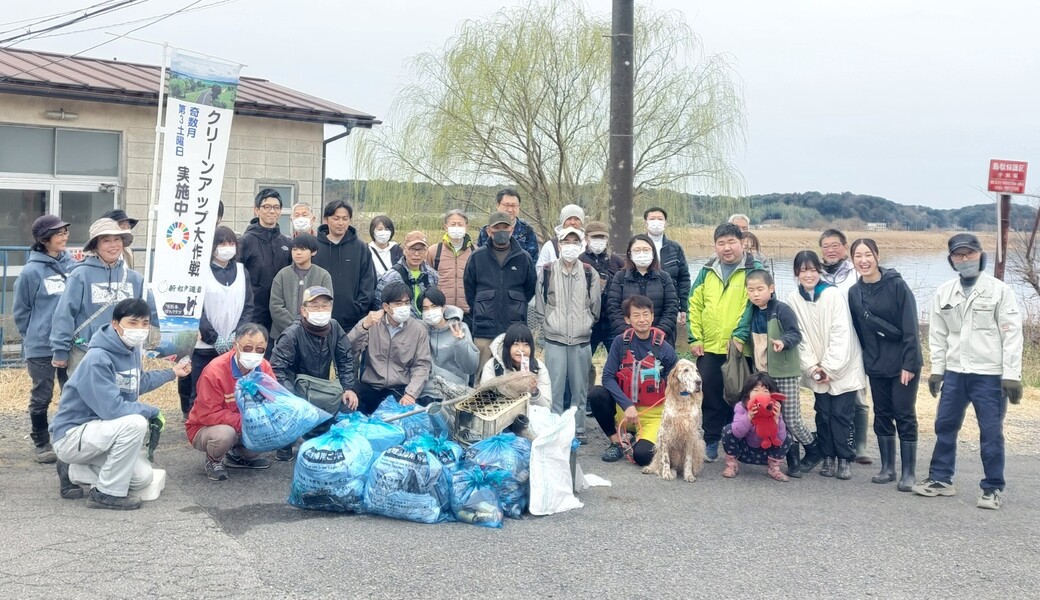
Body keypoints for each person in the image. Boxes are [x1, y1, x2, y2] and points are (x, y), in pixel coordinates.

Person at [913, 234, 1023, 510]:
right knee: (945, 426)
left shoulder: (999, 291)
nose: (964, 260)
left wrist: (1012, 374)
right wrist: (937, 372)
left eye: (969, 254)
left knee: (991, 432)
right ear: (951, 260)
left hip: (990, 375)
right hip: (955, 373)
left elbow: (1012, 334)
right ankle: (941, 479)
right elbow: (937, 335)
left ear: (980, 255)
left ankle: (992, 487)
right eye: (958, 256)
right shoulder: (944, 292)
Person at [51, 298, 191, 510]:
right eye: (133, 323)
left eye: (145, 323)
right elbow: (112, 409)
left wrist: (172, 373)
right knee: (135, 423)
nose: (140, 329)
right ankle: (105, 494)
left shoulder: (131, 349)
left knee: (142, 479)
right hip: (73, 434)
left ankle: (72, 470)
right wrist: (151, 411)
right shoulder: (98, 358)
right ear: (115, 324)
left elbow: (136, 382)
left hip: (100, 433)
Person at [847, 239, 923, 491]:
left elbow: (911, 327)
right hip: (876, 363)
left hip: (902, 362)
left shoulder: (897, 285)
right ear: (853, 260)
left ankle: (909, 472)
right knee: (882, 415)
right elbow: (858, 331)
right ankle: (888, 468)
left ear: (877, 256)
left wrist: (909, 363)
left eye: (868, 254)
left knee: (904, 413)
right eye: (858, 256)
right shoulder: (854, 293)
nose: (863, 260)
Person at [787, 250, 867, 481]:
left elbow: (841, 334)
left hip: (842, 366)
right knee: (823, 414)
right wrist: (813, 368)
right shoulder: (794, 299)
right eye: (803, 271)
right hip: (817, 369)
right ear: (796, 274)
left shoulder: (832, 295)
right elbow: (798, 336)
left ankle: (844, 458)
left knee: (842, 414)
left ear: (819, 271)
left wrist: (829, 368)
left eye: (812, 269)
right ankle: (828, 455)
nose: (808, 275)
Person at [687, 222, 762, 461]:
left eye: (731, 242)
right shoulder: (707, 271)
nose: (726, 248)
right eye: (721, 243)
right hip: (709, 345)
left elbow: (753, 304)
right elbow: (694, 304)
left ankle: (739, 442)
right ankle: (711, 440)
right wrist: (695, 336)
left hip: (740, 348)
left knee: (739, 394)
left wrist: (739, 336)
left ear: (741, 243)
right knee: (709, 392)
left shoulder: (754, 269)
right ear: (715, 246)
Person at [744, 269, 821, 478]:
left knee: (791, 418)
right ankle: (792, 460)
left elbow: (796, 334)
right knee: (777, 418)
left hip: (784, 371)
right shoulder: (750, 311)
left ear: (772, 288)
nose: (755, 294)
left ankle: (814, 447)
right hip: (763, 373)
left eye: (760, 289)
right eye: (751, 290)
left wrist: (783, 342)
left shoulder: (782, 309)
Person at [50, 218, 151, 374]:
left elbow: (153, 310)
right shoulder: (80, 275)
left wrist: (182, 331)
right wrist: (60, 351)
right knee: (85, 396)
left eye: (117, 239)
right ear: (95, 246)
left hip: (126, 352)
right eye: (106, 240)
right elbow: (65, 314)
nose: (113, 245)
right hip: (86, 350)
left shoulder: (134, 278)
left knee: (124, 397)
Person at [589, 295, 678, 466]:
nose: (642, 319)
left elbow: (675, 385)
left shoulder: (665, 349)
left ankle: (640, 440)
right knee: (596, 394)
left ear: (652, 317)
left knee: (643, 457)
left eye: (646, 314)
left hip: (653, 415)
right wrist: (626, 404)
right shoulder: (620, 343)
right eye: (636, 315)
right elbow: (607, 377)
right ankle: (617, 442)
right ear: (627, 319)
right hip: (625, 411)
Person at [14, 215, 76, 463]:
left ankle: (68, 437)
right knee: (42, 395)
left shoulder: (73, 265)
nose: (64, 237)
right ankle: (41, 442)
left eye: (64, 232)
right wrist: (33, 335)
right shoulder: (31, 271)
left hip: (70, 343)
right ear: (43, 240)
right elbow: (22, 310)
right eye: (58, 233)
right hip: (41, 345)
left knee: (72, 391)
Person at [270, 286, 358, 460]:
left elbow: (346, 358)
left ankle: (329, 438)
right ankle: (286, 443)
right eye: (315, 306)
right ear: (303, 310)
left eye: (325, 306)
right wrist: (290, 396)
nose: (321, 310)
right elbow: (277, 367)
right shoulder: (292, 333)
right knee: (289, 407)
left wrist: (348, 387)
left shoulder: (334, 327)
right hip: (296, 386)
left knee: (350, 404)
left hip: (323, 385)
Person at [532, 226, 601, 441]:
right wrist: (550, 324)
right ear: (559, 245)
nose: (570, 246)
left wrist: (586, 323)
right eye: (566, 242)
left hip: (581, 341)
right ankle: (555, 428)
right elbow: (540, 305)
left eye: (575, 242)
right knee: (554, 388)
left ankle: (578, 430)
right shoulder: (547, 271)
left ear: (581, 245)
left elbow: (595, 306)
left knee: (580, 389)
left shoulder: (590, 273)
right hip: (555, 339)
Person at [180, 226, 255, 418]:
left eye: (231, 243)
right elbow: (196, 308)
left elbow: (248, 306)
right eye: (222, 243)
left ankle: (229, 429)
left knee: (230, 391)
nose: (227, 247)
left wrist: (236, 336)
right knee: (201, 389)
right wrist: (213, 337)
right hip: (204, 344)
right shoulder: (199, 271)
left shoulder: (241, 271)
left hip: (233, 344)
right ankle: (199, 427)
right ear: (212, 246)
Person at [185, 324, 274, 481]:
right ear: (235, 346)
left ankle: (240, 455)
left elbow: (273, 399)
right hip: (206, 428)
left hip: (245, 425)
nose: (253, 353)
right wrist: (250, 421)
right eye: (247, 348)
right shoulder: (215, 371)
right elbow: (208, 415)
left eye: (260, 350)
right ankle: (214, 460)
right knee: (225, 435)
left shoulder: (264, 367)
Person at [818, 228, 870, 465]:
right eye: (826, 246)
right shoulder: (815, 273)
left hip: (855, 339)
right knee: (826, 398)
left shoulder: (855, 273)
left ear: (845, 246)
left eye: (835, 245)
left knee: (856, 395)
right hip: (825, 343)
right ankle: (829, 447)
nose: (830, 250)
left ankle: (858, 445)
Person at [464, 211, 537, 377]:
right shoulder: (477, 257)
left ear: (512, 230)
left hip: (513, 328)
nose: (501, 231)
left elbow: (530, 288)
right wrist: (482, 308)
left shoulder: (523, 258)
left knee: (514, 376)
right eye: (497, 228)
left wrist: (516, 304)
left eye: (505, 227)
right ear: (489, 231)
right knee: (482, 376)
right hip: (484, 329)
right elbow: (470, 290)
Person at [348, 281, 432, 414]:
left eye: (406, 303)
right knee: (348, 405)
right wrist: (363, 327)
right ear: (386, 307)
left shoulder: (418, 329)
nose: (404, 307)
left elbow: (422, 365)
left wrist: (411, 394)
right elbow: (349, 350)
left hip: (400, 389)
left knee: (406, 420)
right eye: (398, 303)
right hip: (370, 386)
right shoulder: (372, 322)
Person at [238, 189, 292, 340]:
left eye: (276, 207)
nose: (271, 211)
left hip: (280, 315)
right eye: (266, 207)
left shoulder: (287, 243)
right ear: (256, 210)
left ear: (280, 211)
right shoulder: (245, 242)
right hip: (253, 313)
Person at [313, 200, 375, 332]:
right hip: (317, 320)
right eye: (336, 218)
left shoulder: (361, 248)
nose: (340, 223)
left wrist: (357, 308)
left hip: (351, 323)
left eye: (345, 219)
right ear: (326, 219)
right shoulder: (313, 247)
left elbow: (368, 282)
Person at [720, 373, 793, 482]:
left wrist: (777, 419)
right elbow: (737, 432)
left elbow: (781, 438)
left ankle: (774, 467)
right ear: (748, 393)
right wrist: (749, 417)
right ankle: (732, 465)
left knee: (787, 436)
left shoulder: (773, 408)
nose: (761, 394)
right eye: (756, 390)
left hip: (766, 452)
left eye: (765, 391)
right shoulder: (741, 406)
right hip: (745, 451)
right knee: (728, 430)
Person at [606, 235, 679, 343]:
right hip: (629, 340)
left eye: (646, 250)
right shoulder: (620, 277)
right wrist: (628, 334)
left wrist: (659, 333)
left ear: (653, 253)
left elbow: (671, 307)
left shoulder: (664, 277)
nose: (642, 253)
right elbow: (614, 308)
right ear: (630, 254)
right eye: (637, 250)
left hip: (661, 339)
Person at [417, 288, 479, 404]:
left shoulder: (460, 327)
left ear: (443, 308)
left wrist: (460, 342)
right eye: (425, 309)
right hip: (427, 391)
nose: (430, 311)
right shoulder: (420, 330)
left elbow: (470, 368)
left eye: (434, 306)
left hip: (455, 391)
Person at [269, 233, 333, 341]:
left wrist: (308, 327)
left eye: (303, 249)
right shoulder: (282, 274)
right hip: (284, 335)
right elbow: (276, 306)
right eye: (294, 249)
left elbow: (327, 304)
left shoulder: (323, 275)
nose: (298, 253)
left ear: (313, 252)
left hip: (314, 334)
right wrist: (295, 327)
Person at [643, 207, 691, 330]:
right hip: (643, 305)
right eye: (652, 219)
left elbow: (684, 278)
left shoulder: (675, 248)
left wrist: (683, 307)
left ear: (666, 222)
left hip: (669, 305)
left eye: (660, 219)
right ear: (645, 222)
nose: (656, 222)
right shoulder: (638, 246)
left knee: (666, 344)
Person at [480, 324, 551, 406]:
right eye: (515, 344)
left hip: (528, 415)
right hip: (500, 414)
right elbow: (483, 400)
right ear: (507, 346)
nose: (521, 349)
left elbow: (546, 406)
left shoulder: (538, 367)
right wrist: (508, 384)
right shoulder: (493, 365)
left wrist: (534, 391)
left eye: (526, 344)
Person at [374, 231, 440, 317]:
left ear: (426, 251)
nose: (416, 254)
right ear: (404, 250)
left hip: (429, 325)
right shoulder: (390, 277)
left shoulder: (432, 275)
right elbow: (379, 307)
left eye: (421, 249)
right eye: (412, 249)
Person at [427, 209, 474, 325]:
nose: (457, 227)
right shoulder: (434, 251)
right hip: (442, 313)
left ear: (466, 227)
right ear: (445, 227)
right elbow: (427, 280)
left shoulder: (475, 252)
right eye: (453, 224)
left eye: (460, 224)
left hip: (469, 313)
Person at [476, 188, 540, 260]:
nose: (510, 210)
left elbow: (533, 261)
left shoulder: (527, 231)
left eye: (513, 205)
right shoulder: (486, 231)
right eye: (506, 205)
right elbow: (479, 258)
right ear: (497, 205)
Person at [535, 204, 585, 268]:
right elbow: (540, 271)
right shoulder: (550, 246)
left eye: (577, 219)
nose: (572, 222)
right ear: (563, 222)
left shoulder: (587, 245)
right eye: (569, 219)